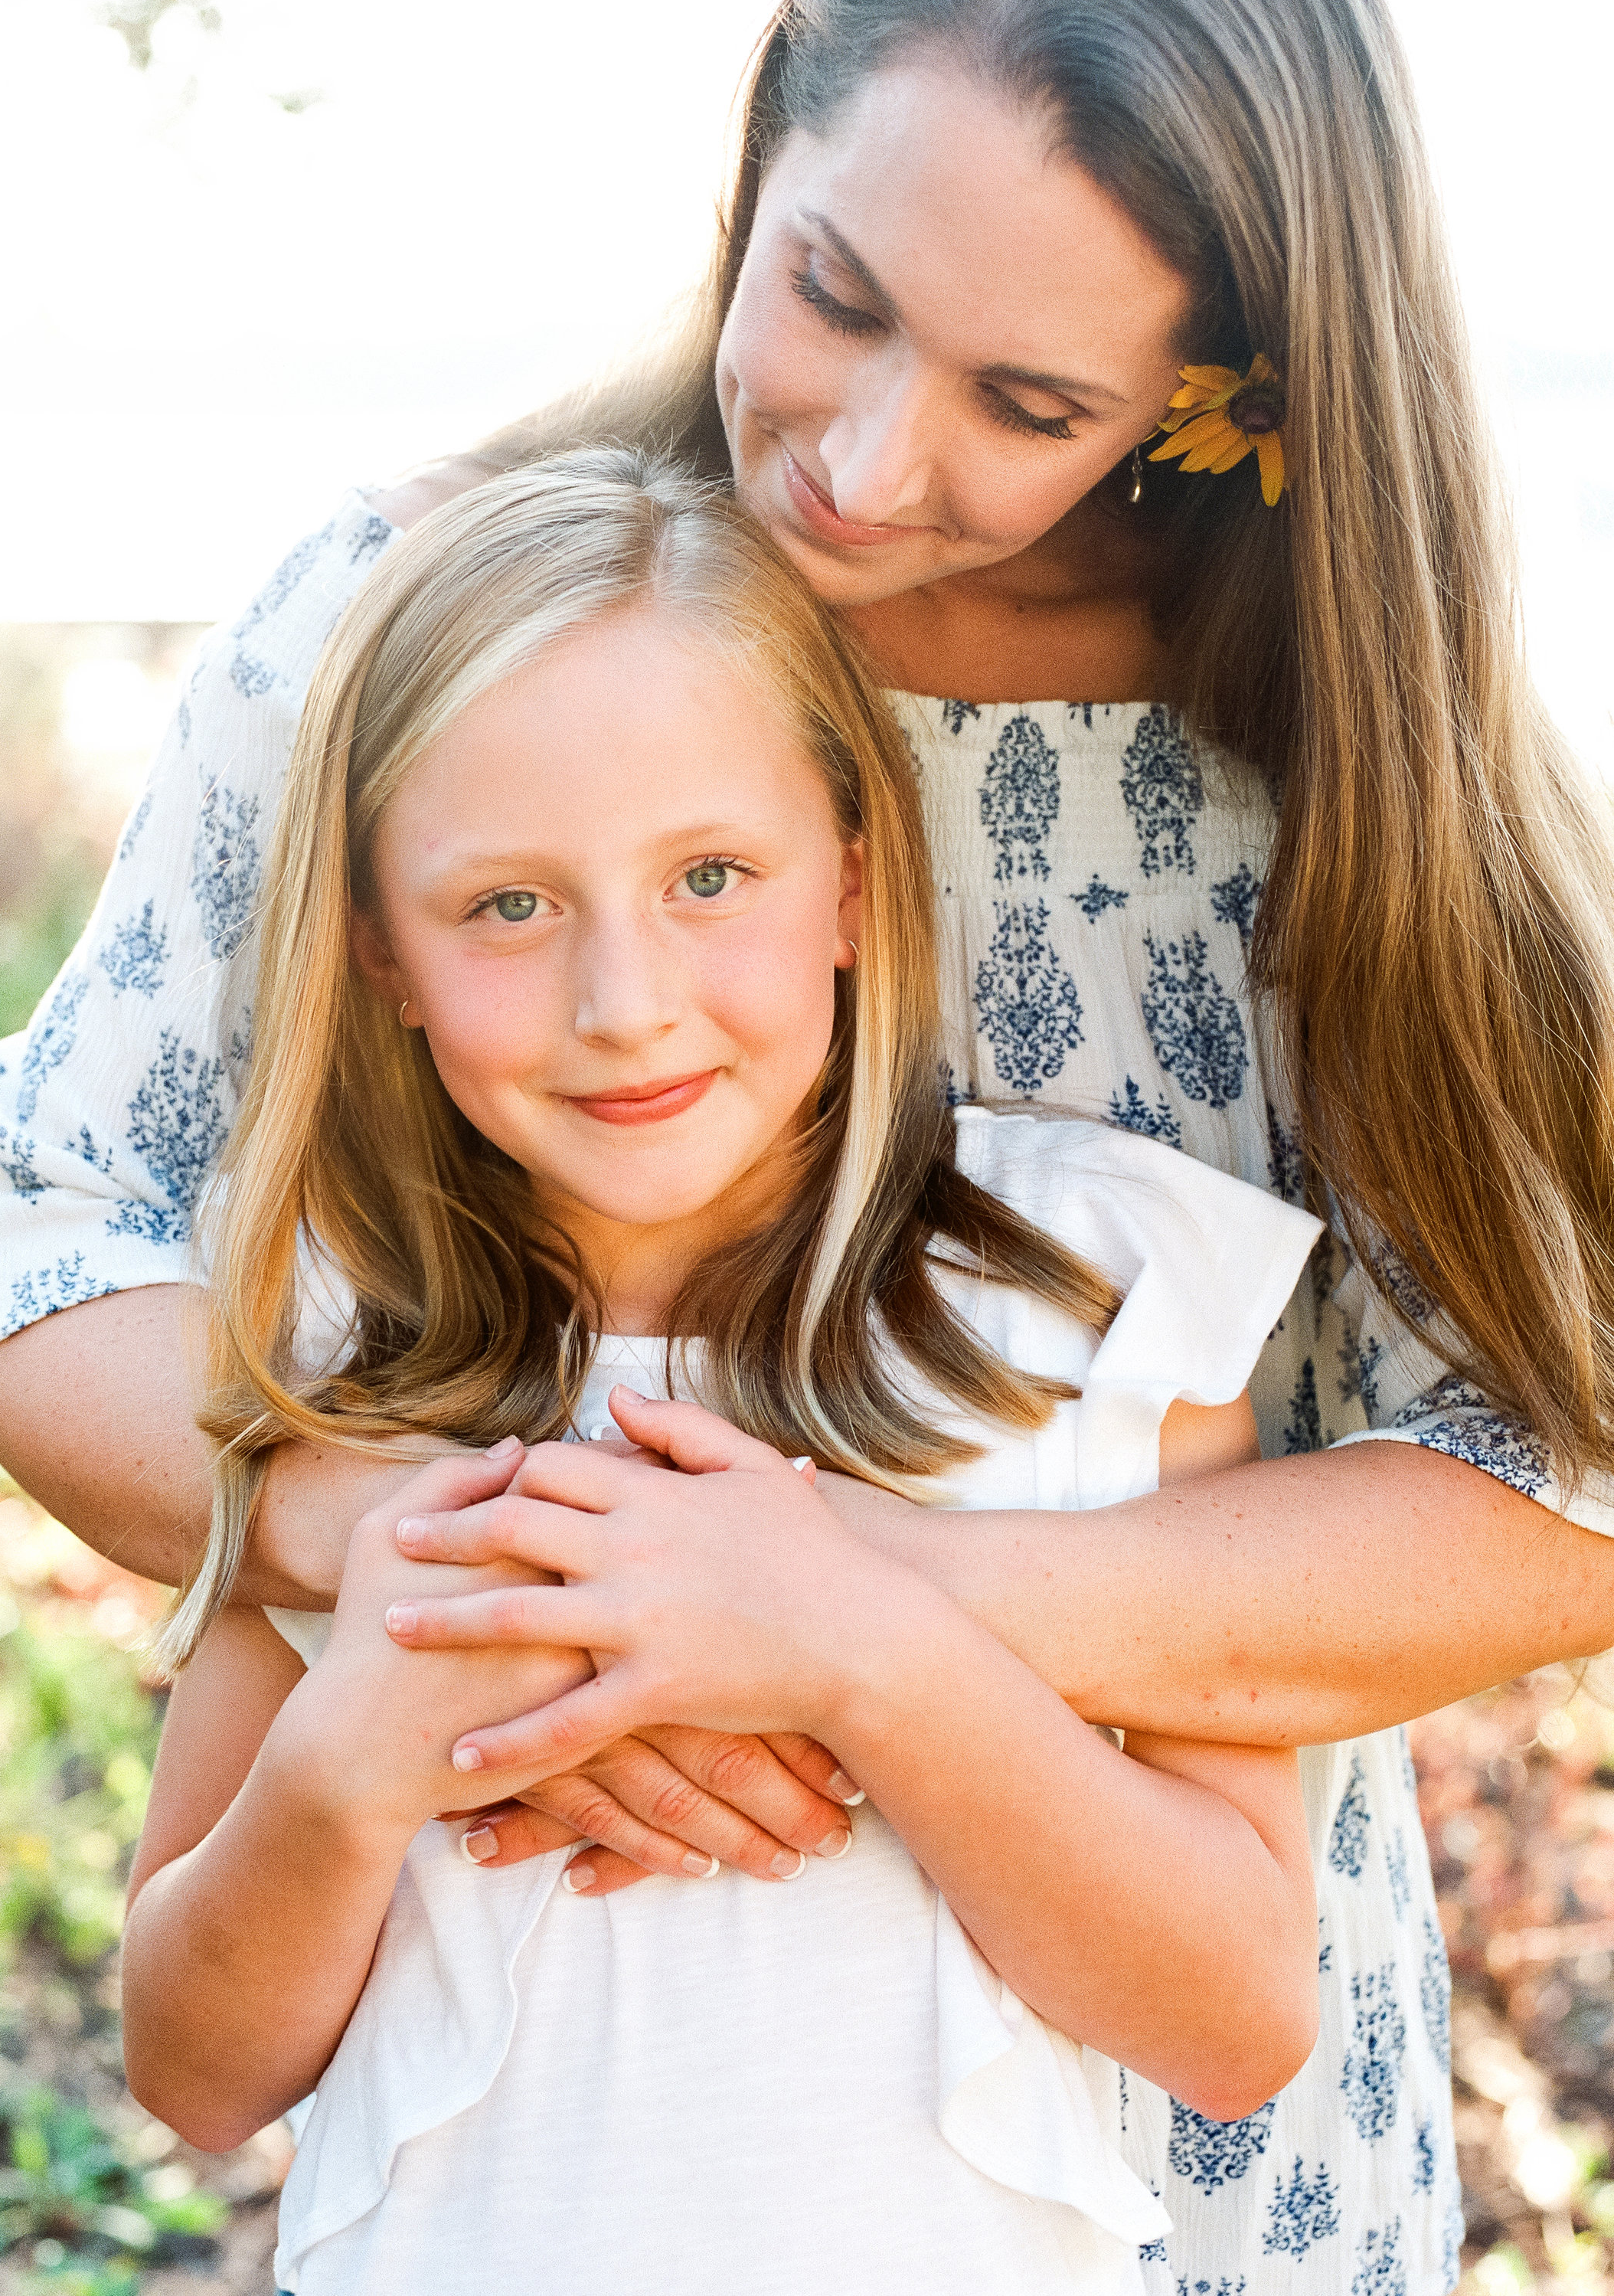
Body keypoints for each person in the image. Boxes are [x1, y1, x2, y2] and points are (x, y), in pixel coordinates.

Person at [0, 0, 1614, 2284]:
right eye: (830, 286)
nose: (858, 460)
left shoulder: (1345, 788)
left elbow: (1539, 1502)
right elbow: (37, 1258)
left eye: (1030, 402)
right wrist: (513, 1597)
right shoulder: (418, 619)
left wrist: (835, 1611)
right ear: (766, 136)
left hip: (1181, 2187)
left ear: (1218, 398)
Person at [119, 452, 1324, 2294]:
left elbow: (1231, 2020)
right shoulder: (328, 1345)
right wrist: (347, 1762)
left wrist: (855, 1645)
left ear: (850, 876)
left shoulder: (1096, 1314)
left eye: (707, 875)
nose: (626, 1001)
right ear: (378, 949)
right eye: (506, 907)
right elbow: (194, 2070)